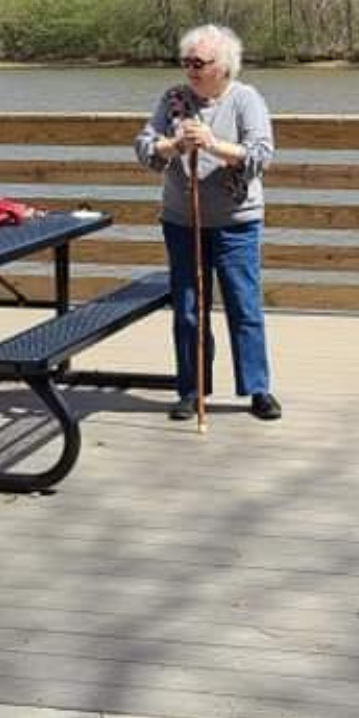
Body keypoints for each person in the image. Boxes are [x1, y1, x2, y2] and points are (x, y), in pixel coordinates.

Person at [135, 24, 279, 422]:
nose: (192, 70)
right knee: (188, 308)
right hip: (183, 221)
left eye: (200, 63)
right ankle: (191, 389)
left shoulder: (245, 99)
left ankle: (257, 388)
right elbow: (146, 149)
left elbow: (260, 155)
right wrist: (176, 144)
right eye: (187, 62)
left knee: (243, 304)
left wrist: (213, 144)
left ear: (224, 65)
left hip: (236, 221)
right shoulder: (174, 100)